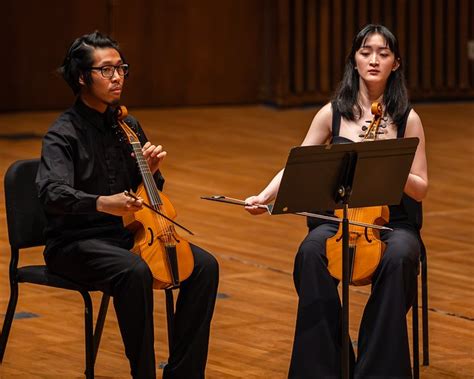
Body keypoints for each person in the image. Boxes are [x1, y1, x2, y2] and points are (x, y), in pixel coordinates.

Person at [245, 24, 428, 378]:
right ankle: (327, 363)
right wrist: (264, 196)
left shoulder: (409, 119)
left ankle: (377, 367)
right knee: (310, 252)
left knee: (402, 256)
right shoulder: (333, 113)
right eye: (365, 52)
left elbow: (420, 188)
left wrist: (389, 162)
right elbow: (297, 164)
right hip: (337, 222)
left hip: (392, 225)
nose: (374, 60)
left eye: (383, 53)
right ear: (354, 60)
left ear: (396, 63)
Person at [36, 31, 219, 379]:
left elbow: (148, 195)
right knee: (134, 272)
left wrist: (148, 174)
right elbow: (50, 193)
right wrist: (102, 203)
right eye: (106, 70)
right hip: (75, 243)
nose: (117, 77)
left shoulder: (127, 125)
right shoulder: (63, 133)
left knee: (204, 267)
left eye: (121, 68)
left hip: (127, 236)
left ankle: (184, 373)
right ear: (81, 77)